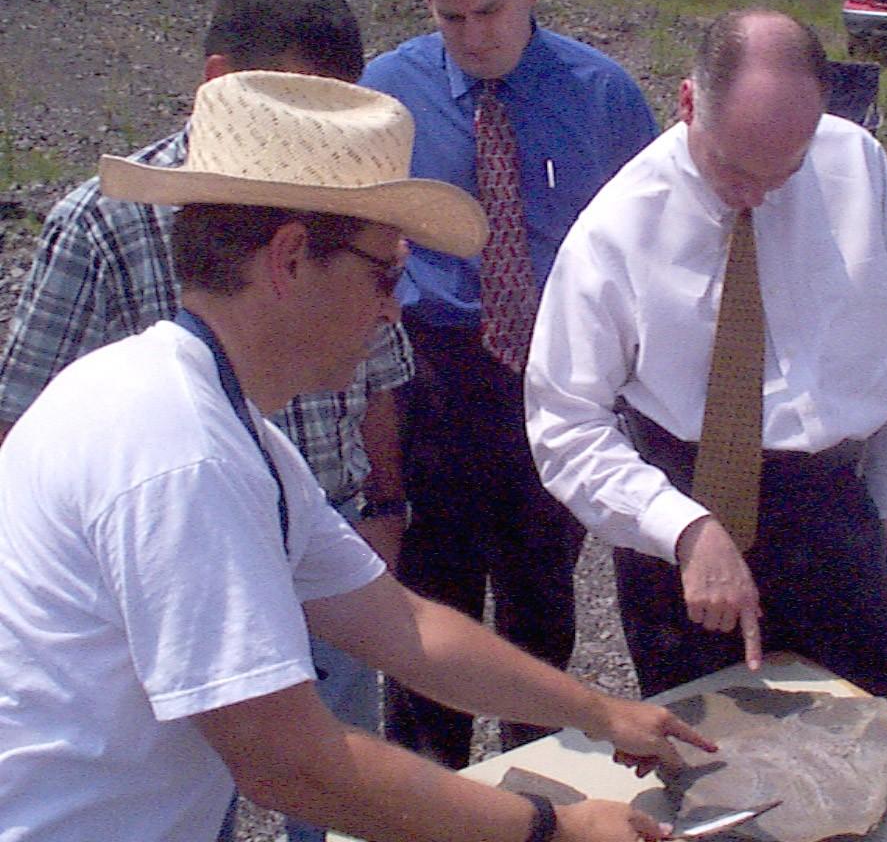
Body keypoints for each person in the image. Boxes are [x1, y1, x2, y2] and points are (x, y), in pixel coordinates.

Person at [0, 69, 712, 842]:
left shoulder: (215, 423)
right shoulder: (182, 454)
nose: (393, 306)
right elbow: (287, 762)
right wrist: (554, 830)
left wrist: (601, 714)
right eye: (387, 273)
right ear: (291, 258)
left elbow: (402, 625)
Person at [0, 0, 412, 842]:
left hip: (314, 533)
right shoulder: (103, 238)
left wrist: (384, 504)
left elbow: (381, 379)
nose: (326, 143)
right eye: (305, 111)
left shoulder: (252, 433)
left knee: (276, 801)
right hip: (164, 590)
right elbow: (21, 419)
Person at [524, 10, 887, 717]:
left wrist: (883, 503)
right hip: (683, 516)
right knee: (713, 775)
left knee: (881, 742)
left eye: (786, 170)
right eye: (734, 168)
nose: (757, 194)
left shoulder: (854, 163)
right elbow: (564, 420)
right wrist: (681, 527)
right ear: (687, 104)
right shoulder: (617, 227)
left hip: (831, 510)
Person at [360, 0, 659, 767]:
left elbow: (643, 249)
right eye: (450, 18)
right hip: (434, 376)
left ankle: (536, 786)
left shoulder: (601, 95)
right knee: (427, 610)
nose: (473, 35)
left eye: (489, 10)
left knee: (539, 607)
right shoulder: (391, 92)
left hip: (554, 375)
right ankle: (427, 796)